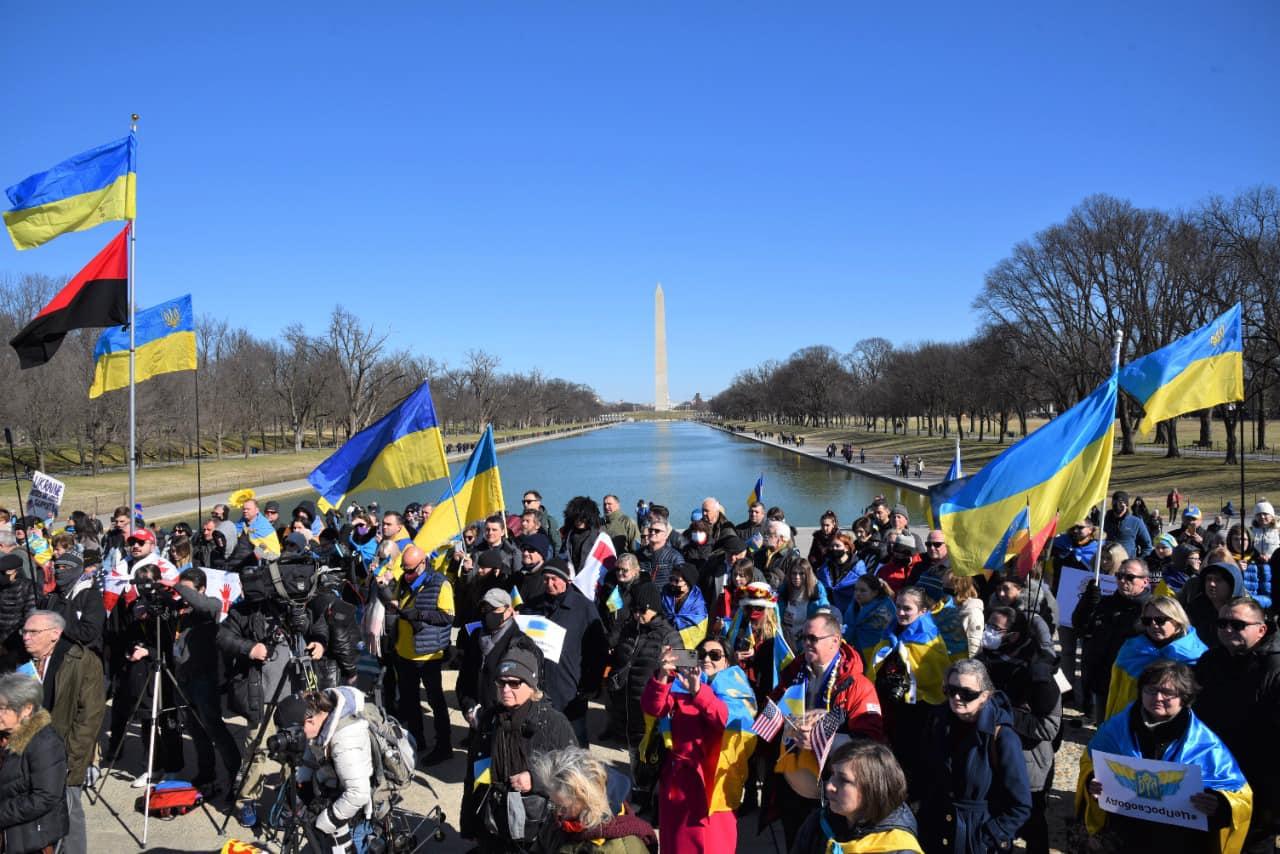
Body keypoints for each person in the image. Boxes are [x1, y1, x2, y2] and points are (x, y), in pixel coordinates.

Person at [1079, 660, 1253, 853]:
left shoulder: (1205, 743)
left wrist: (1219, 805)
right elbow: (1089, 762)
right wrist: (1091, 782)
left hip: (1178, 842)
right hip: (1124, 836)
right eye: (1150, 690)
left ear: (1184, 698)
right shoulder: (1114, 730)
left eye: (1168, 693)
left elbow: (1239, 794)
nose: (1157, 698)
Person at [767, 612, 885, 845]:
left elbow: (871, 741)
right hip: (792, 785)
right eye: (803, 637)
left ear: (835, 640)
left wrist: (824, 740)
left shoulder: (857, 684)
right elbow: (772, 712)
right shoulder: (793, 673)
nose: (806, 643)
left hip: (832, 790)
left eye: (813, 638)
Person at [642, 636, 757, 853]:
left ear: (728, 662)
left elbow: (726, 720)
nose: (707, 659)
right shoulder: (681, 683)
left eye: (715, 655)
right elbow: (653, 708)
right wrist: (662, 676)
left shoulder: (737, 690)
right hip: (678, 784)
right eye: (701, 654)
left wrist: (699, 693)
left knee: (713, 845)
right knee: (676, 845)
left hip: (714, 786)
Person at [465, 647, 578, 850]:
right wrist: (469, 822)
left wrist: (535, 780)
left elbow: (576, 776)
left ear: (532, 685)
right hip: (493, 823)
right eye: (501, 682)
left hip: (538, 830)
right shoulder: (489, 720)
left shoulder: (553, 722)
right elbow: (474, 772)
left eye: (514, 683)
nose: (506, 689)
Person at [915, 660, 1032, 853]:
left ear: (985, 696)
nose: (957, 697)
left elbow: (1021, 805)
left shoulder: (1002, 737)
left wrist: (989, 836)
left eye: (967, 693)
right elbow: (924, 773)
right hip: (935, 834)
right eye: (951, 690)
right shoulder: (936, 721)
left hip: (976, 839)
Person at [1195, 597, 1280, 853]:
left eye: (1237, 624)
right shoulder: (1209, 660)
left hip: (1260, 781)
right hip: (1214, 771)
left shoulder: (1275, 668)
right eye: (1222, 623)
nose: (1228, 629)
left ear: (1261, 629)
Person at [976, 606, 1060, 854]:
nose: (988, 632)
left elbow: (1048, 728)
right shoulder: (982, 662)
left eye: (995, 628)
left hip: (1028, 761)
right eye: (987, 625)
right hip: (988, 757)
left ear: (1013, 635)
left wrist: (1001, 713)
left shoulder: (1037, 672)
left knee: (1032, 822)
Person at [21, 612, 101, 854]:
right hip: (27, 750)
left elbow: (88, 719)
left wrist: (70, 759)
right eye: (24, 632)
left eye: (33, 632)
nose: (26, 637)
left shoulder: (83, 661)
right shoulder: (23, 663)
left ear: (55, 634)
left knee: (68, 812)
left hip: (64, 752)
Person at [864, 587, 951, 787]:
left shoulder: (929, 638)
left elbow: (935, 676)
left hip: (919, 710)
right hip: (890, 705)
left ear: (922, 611)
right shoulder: (892, 631)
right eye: (898, 607)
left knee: (911, 760)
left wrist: (908, 680)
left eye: (907, 609)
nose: (901, 613)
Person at [522, 558, 607, 747]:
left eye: (554, 579)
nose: (549, 584)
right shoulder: (533, 605)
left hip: (569, 688)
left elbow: (598, 649)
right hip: (538, 686)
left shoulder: (583, 607)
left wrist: (591, 684)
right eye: (545, 579)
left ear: (566, 580)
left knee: (574, 743)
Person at [383, 543, 455, 766]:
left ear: (423, 563)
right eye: (404, 569)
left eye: (411, 569)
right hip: (404, 651)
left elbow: (447, 617)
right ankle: (416, 741)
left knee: (436, 702)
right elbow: (396, 600)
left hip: (428, 655)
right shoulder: (404, 581)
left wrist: (419, 614)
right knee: (409, 701)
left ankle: (444, 746)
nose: (407, 574)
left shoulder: (440, 584)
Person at [277, 687, 375, 851]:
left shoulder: (345, 740)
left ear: (309, 721)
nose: (292, 739)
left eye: (293, 734)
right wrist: (302, 784)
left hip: (359, 803)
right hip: (339, 784)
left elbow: (358, 794)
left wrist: (323, 823)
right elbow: (311, 750)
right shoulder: (321, 719)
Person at [172, 567, 242, 790]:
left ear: (201, 589)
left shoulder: (211, 605)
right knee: (194, 728)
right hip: (182, 677)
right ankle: (206, 773)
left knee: (214, 727)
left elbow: (201, 604)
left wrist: (176, 586)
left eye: (187, 590)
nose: (182, 595)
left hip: (205, 677)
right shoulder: (180, 610)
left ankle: (235, 775)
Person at [790, 739, 921, 854]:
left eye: (844, 780)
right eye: (833, 774)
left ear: (873, 789)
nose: (829, 786)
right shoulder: (818, 825)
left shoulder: (898, 849)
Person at [531, 746, 658, 853]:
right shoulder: (563, 820)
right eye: (553, 804)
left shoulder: (619, 848)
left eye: (563, 807)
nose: (557, 813)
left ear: (588, 801)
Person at [610, 582, 680, 771]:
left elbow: (684, 670)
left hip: (648, 707)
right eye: (634, 610)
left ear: (654, 609)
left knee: (648, 753)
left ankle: (643, 787)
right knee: (633, 748)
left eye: (642, 610)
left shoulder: (668, 636)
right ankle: (634, 778)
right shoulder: (629, 628)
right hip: (625, 701)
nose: (637, 615)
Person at [1103, 595, 1207, 720]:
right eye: (1147, 620)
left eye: (1160, 620)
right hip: (1134, 721)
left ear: (1177, 621)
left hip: (1179, 725)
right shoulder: (1131, 650)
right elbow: (1116, 693)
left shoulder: (1197, 655)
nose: (1153, 625)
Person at [1074, 557, 1152, 722]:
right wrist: (1087, 603)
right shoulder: (1105, 603)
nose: (1123, 580)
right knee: (1104, 730)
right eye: (1119, 575)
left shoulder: (1153, 610)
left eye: (1130, 577)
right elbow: (1081, 626)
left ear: (1144, 581)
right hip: (1103, 680)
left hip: (1133, 684)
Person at [0, 673, 70, 853]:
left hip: (30, 836)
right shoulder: (5, 736)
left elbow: (45, 797)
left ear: (26, 709)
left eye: (3, 708)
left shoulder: (45, 743)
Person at [458, 588, 545, 725]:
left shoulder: (521, 643)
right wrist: (468, 708)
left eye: (494, 609)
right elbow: (465, 678)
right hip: (477, 719)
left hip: (505, 722)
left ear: (509, 610)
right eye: (484, 609)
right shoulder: (475, 637)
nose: (488, 614)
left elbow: (529, 689)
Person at [1183, 558, 1245, 651]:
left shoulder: (1245, 613)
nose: (1211, 584)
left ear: (1232, 585)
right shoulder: (1195, 608)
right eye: (1208, 579)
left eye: (1218, 580)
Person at [843, 575, 897, 665]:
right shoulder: (853, 606)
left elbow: (888, 637)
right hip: (852, 653)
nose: (857, 593)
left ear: (875, 593)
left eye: (863, 590)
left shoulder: (884, 611)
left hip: (875, 656)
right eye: (856, 589)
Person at [779, 559, 830, 651]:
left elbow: (824, 613)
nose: (797, 577)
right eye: (794, 573)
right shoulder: (784, 588)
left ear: (808, 575)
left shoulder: (816, 590)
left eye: (801, 573)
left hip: (806, 639)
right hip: (786, 638)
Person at [0, 553, 37, 672]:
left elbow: (29, 617)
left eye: (4, 572)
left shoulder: (28, 587)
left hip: (17, 643)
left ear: (15, 571)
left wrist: (5, 643)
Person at [662, 563, 708, 652]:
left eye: (676, 580)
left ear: (688, 583)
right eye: (671, 579)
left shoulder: (697, 603)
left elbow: (698, 630)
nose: (672, 583)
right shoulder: (664, 594)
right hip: (664, 643)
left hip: (687, 648)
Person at [816, 532, 863, 615]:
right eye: (832, 546)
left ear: (846, 548)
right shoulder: (825, 566)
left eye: (837, 546)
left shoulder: (858, 567)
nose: (834, 548)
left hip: (851, 611)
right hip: (829, 610)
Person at [637, 517, 685, 589]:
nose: (652, 533)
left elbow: (682, 582)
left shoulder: (674, 557)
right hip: (643, 596)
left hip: (664, 597)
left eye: (657, 531)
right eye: (650, 530)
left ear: (665, 535)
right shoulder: (639, 554)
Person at [756, 520, 804, 590]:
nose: (765, 536)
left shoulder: (792, 557)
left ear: (781, 538)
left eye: (769, 533)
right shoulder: (759, 554)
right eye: (765, 532)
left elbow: (795, 584)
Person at [1105, 491, 1153, 559]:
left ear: (1126, 505)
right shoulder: (1104, 521)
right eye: (1115, 502)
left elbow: (1147, 547)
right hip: (1105, 564)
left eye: (1121, 503)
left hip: (1127, 565)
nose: (1117, 505)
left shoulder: (1136, 522)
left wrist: (1138, 562)